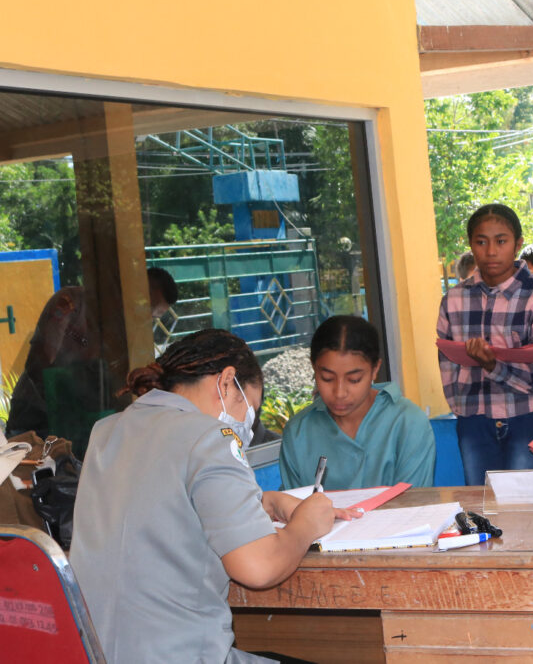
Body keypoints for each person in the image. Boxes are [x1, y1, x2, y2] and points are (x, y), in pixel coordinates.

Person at [70, 329, 355, 663]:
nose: (248, 428)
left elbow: (161, 506)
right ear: (226, 382)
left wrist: (263, 502)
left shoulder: (107, 431)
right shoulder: (212, 436)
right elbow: (258, 567)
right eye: (250, 411)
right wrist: (306, 525)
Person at [437, 203, 533, 485]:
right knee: (483, 505)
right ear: (470, 244)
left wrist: (493, 365)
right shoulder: (454, 298)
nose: (491, 252)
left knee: (526, 506)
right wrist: (461, 408)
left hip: (529, 415)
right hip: (474, 419)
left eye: (501, 241)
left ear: (517, 244)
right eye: (481, 242)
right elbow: (446, 360)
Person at [5, 268, 180, 450]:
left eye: (151, 317)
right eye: (144, 307)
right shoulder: (71, 303)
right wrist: (75, 395)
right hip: (35, 412)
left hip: (81, 424)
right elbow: (38, 364)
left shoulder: (126, 332)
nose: (142, 318)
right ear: (130, 289)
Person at [279, 316, 435, 490]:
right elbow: (293, 508)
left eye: (354, 380)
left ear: (375, 369)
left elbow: (414, 506)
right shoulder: (298, 432)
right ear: (314, 368)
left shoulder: (408, 423)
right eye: (327, 378)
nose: (339, 393)